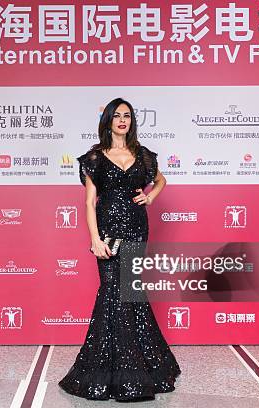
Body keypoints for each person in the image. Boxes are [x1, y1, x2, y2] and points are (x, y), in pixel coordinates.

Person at [58, 98, 181, 401]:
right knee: (113, 290)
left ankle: (142, 367)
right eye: (118, 116)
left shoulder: (143, 155)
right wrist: (95, 239)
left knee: (132, 292)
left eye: (127, 116)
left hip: (137, 229)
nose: (123, 120)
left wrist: (150, 198)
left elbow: (161, 180)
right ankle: (114, 369)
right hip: (108, 232)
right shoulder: (94, 158)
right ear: (109, 121)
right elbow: (89, 202)